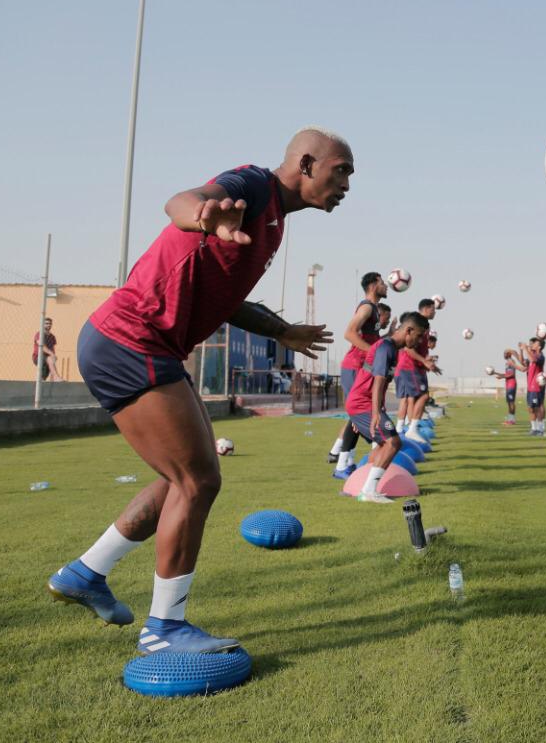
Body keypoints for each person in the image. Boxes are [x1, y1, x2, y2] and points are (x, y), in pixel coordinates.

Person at [48, 126, 349, 655]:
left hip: (142, 345)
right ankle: (165, 629)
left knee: (179, 478)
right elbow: (180, 202)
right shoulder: (252, 186)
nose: (347, 183)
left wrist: (281, 330)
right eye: (340, 170)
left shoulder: (273, 225)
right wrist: (204, 215)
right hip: (131, 338)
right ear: (305, 164)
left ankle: (86, 572)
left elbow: (227, 299)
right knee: (199, 479)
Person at [343, 311, 427, 503]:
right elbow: (378, 381)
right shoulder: (386, 348)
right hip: (362, 403)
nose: (420, 340)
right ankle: (368, 491)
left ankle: (365, 486)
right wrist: (374, 413)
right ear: (409, 330)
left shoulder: (393, 348)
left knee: (384, 444)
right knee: (393, 442)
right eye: (419, 335)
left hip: (361, 403)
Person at [327, 272, 388, 464]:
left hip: (364, 367)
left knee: (362, 414)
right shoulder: (367, 307)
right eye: (382, 282)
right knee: (361, 413)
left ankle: (342, 457)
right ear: (372, 286)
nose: (386, 285)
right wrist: (374, 353)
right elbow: (349, 333)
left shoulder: (375, 309)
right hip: (354, 366)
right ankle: (344, 461)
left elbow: (371, 339)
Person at [391, 298, 440, 448]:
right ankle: (411, 428)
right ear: (425, 309)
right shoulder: (418, 324)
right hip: (409, 366)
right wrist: (424, 361)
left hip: (409, 366)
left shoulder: (423, 325)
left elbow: (418, 349)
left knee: (408, 399)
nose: (435, 312)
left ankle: (401, 429)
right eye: (433, 309)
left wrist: (427, 361)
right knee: (422, 396)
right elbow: (408, 348)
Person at [520, 337, 546, 435]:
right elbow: (525, 362)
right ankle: (534, 429)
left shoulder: (540, 356)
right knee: (531, 408)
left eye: (535, 344)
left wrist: (525, 348)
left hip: (536, 387)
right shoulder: (533, 354)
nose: (532, 345)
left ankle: (540, 429)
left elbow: (533, 359)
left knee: (537, 408)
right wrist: (522, 350)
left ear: (539, 347)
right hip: (530, 387)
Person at [495, 348, 521, 425]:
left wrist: (502, 377)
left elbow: (511, 374)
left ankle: (512, 420)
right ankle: (510, 420)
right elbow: (507, 374)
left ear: (509, 354)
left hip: (511, 384)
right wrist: (496, 373)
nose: (504, 355)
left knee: (511, 402)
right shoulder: (508, 363)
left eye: (505, 353)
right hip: (508, 385)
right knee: (509, 403)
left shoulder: (511, 362)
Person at [33, 317, 63, 382]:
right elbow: (42, 346)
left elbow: (52, 348)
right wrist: (52, 354)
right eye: (46, 323)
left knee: (43, 376)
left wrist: (53, 355)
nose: (48, 325)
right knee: (49, 358)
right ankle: (56, 377)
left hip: (47, 357)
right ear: (43, 325)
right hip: (38, 356)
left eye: (50, 323)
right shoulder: (39, 334)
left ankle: (42, 381)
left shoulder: (52, 337)